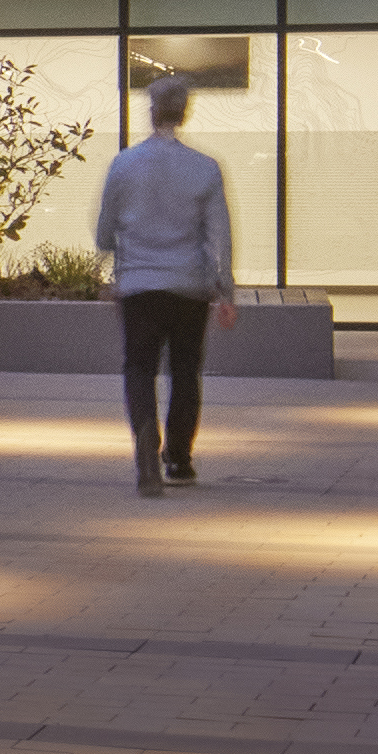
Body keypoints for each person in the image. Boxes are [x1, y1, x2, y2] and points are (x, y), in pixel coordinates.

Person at [93, 77, 235, 491]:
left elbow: (104, 233)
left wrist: (119, 253)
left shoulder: (123, 164)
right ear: (184, 112)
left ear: (151, 111)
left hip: (139, 286)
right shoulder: (205, 167)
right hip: (190, 287)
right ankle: (178, 459)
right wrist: (225, 289)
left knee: (139, 368)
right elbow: (220, 237)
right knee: (185, 371)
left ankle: (144, 435)